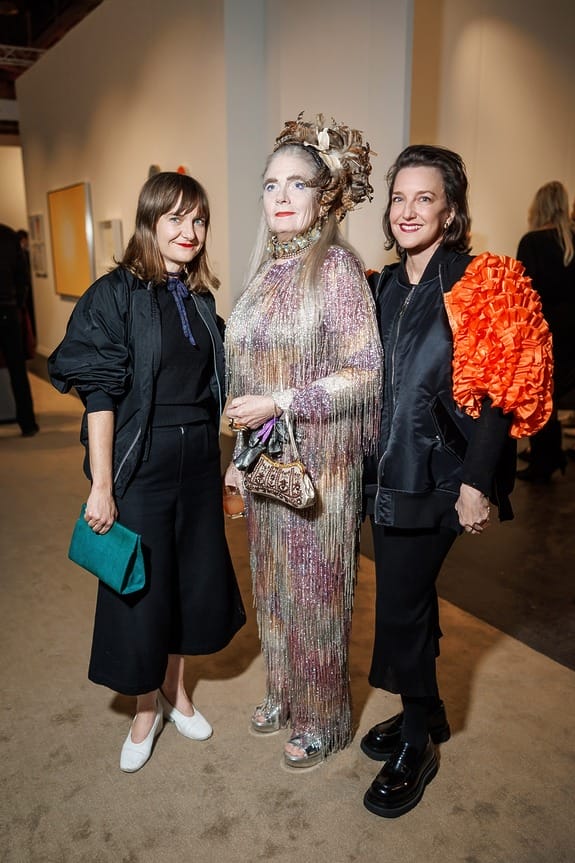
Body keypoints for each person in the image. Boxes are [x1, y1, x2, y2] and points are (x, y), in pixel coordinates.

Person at [361, 144, 553, 818]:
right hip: (386, 473)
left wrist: (476, 483)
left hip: (442, 475)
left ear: (449, 208)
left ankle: (418, 742)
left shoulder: (480, 278)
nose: (408, 210)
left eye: (423, 197)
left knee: (400, 605)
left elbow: (504, 389)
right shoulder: (381, 284)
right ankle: (431, 708)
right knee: (406, 599)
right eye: (398, 197)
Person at [48, 172, 246, 773]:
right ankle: (143, 706)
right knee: (139, 590)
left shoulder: (201, 300)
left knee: (186, 583)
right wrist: (102, 485)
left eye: (199, 220)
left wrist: (235, 461)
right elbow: (101, 395)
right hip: (142, 466)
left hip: (197, 465)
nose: (189, 231)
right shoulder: (115, 294)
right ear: (150, 223)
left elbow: (217, 387)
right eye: (176, 219)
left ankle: (176, 691)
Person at [224, 114, 382, 768]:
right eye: (269, 184)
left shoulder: (337, 268)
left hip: (321, 468)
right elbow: (246, 377)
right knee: (273, 584)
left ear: (325, 196)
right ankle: (284, 689)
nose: (280, 196)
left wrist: (282, 401)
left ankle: (322, 717)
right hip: (266, 460)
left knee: (315, 592)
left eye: (296, 184)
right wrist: (237, 461)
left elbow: (364, 369)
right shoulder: (263, 273)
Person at [515, 181, 575, 482]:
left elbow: (524, 293)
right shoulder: (571, 240)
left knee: (541, 397)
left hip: (545, 330)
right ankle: (550, 455)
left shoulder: (533, 242)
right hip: (572, 332)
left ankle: (546, 459)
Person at [0, 222, 38, 436]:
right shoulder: (10, 236)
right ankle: (28, 423)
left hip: (9, 307)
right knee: (17, 370)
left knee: (16, 370)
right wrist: (18, 304)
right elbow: (23, 278)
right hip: (8, 311)